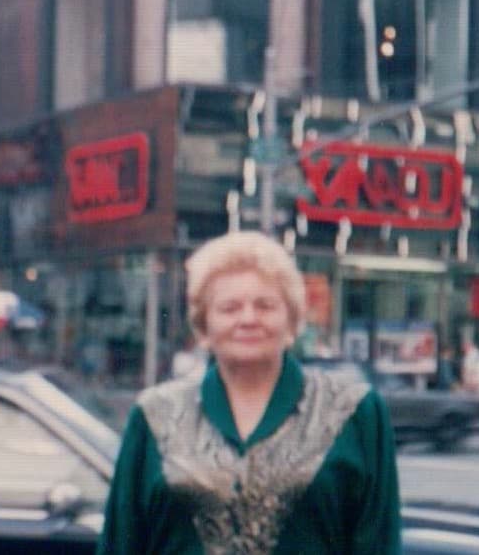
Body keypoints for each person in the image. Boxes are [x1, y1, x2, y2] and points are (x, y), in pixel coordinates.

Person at [100, 231, 401, 554]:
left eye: (265, 305)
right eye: (229, 308)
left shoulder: (354, 410)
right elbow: (121, 543)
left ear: (291, 321)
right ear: (204, 326)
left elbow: (378, 542)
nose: (248, 319)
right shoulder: (156, 414)